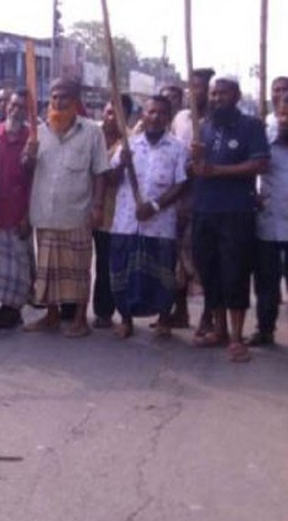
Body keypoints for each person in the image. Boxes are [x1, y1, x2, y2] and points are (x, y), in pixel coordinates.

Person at [189, 76, 270, 362]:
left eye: (222, 93)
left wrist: (218, 171)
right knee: (208, 270)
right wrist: (194, 159)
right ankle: (219, 329)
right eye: (213, 93)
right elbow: (196, 169)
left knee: (234, 272)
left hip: (236, 212)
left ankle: (236, 337)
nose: (216, 98)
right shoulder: (204, 128)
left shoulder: (250, 126)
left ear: (236, 96)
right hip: (204, 210)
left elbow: (260, 163)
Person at [23, 78, 109, 338]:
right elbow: (26, 169)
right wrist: (28, 154)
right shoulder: (38, 132)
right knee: (48, 270)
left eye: (64, 97)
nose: (59, 102)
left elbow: (100, 173)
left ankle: (80, 319)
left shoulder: (92, 132)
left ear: (76, 101)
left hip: (77, 213)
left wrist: (97, 207)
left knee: (78, 271)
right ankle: (51, 316)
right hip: (45, 213)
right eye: (54, 97)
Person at [108, 96, 188, 339]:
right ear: (142, 115)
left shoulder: (177, 148)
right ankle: (126, 320)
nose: (155, 117)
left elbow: (181, 185)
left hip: (160, 225)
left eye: (161, 113)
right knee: (123, 271)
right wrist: (121, 164)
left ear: (168, 117)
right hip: (126, 223)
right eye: (151, 112)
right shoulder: (128, 145)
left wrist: (154, 206)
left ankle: (164, 318)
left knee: (162, 273)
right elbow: (111, 180)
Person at [169, 68, 216, 333]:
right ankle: (181, 311)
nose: (193, 92)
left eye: (198, 87)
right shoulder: (181, 118)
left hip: (206, 196)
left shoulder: (215, 121)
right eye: (191, 87)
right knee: (177, 256)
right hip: (180, 195)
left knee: (203, 257)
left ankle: (208, 316)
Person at [0, 91, 33, 328]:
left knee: (17, 263)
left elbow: (35, 180)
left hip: (19, 209)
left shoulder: (32, 138)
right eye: (13, 105)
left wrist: (28, 215)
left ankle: (13, 310)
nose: (16, 110)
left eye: (21, 107)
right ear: (6, 107)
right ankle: (2, 307)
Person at [93, 94, 134, 329]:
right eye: (108, 112)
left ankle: (110, 312)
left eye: (117, 114)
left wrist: (120, 165)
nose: (111, 118)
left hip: (116, 211)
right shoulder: (92, 135)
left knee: (110, 263)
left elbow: (113, 178)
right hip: (85, 205)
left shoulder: (131, 141)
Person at [250, 99, 288, 346]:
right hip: (268, 222)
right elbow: (250, 172)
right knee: (266, 281)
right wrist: (253, 196)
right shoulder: (263, 140)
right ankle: (265, 329)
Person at [265, 76, 287, 143]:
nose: (281, 93)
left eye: (285, 89)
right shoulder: (264, 121)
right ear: (271, 93)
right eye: (277, 90)